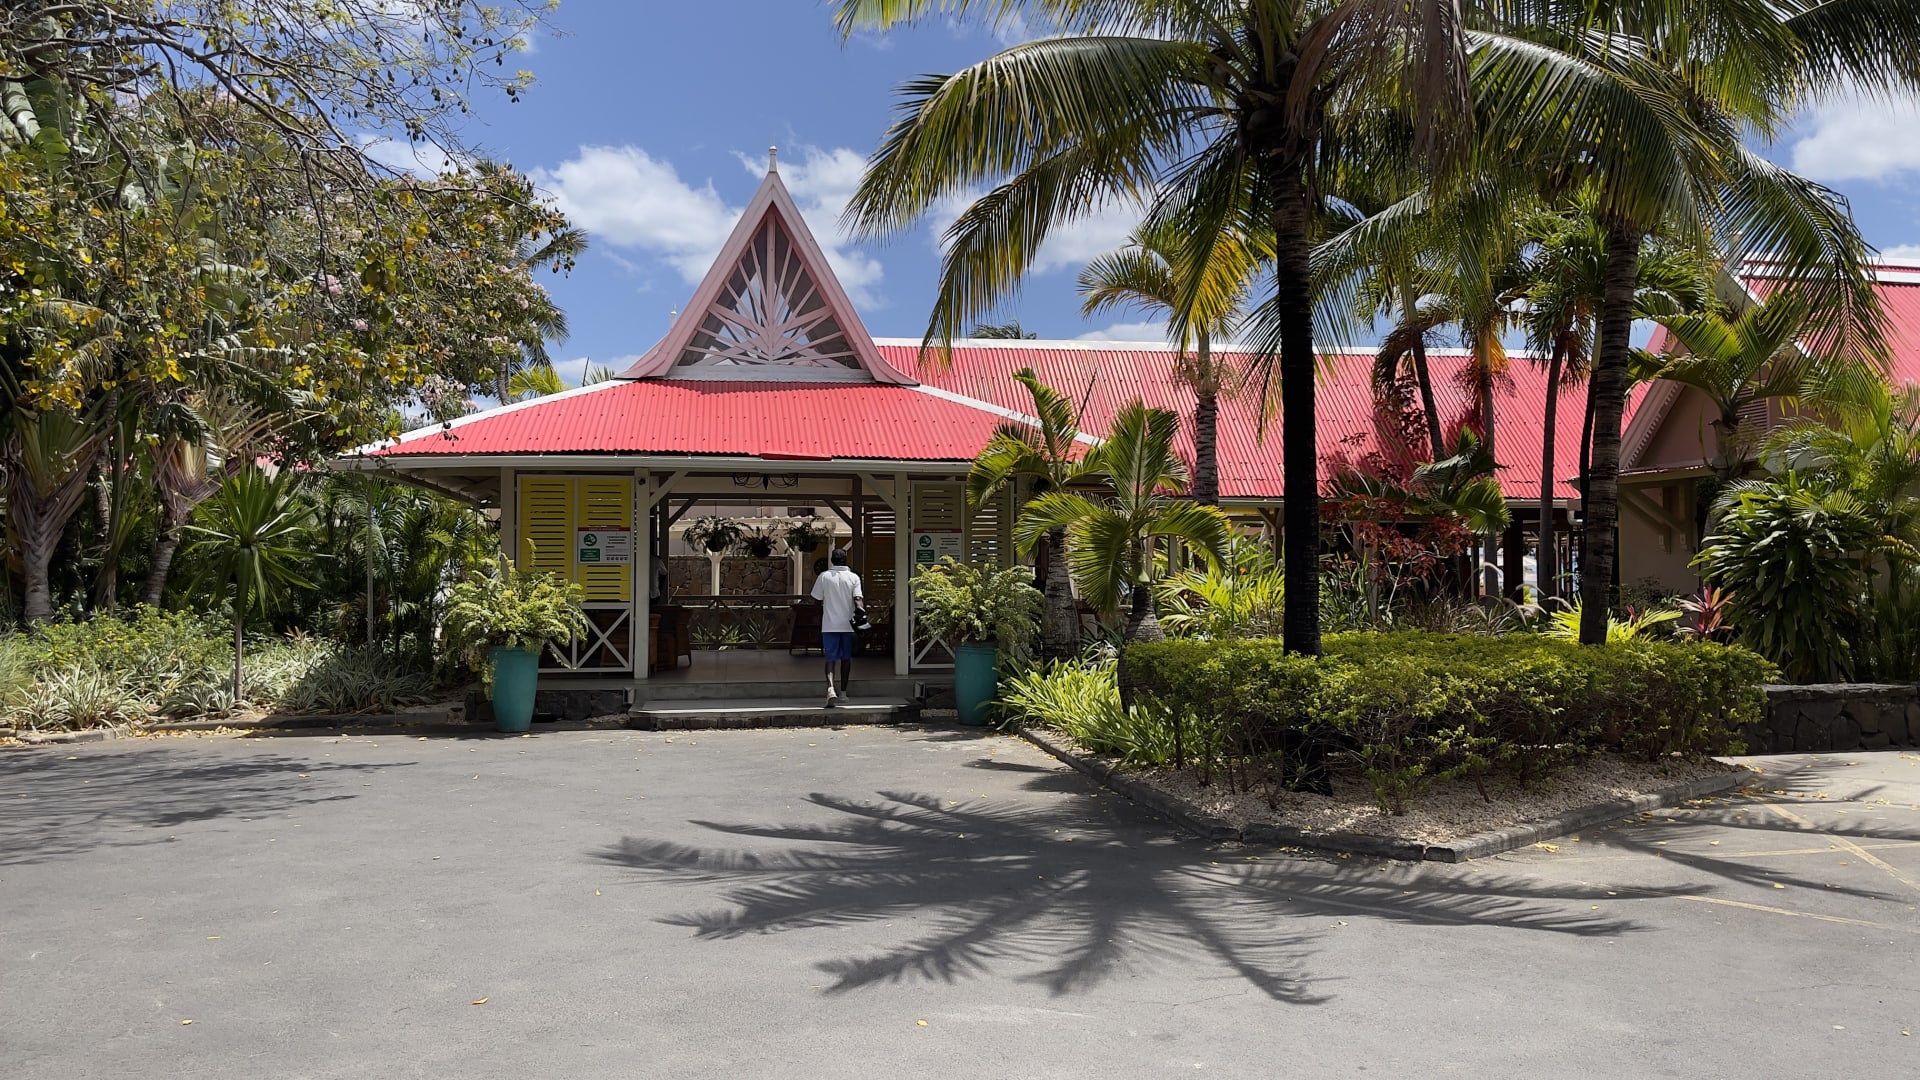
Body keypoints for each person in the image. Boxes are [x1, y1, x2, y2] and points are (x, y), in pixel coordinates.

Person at [809, 547, 863, 705]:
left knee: (830, 659)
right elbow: (858, 599)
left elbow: (816, 601)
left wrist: (816, 619)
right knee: (846, 659)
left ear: (832, 561)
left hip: (829, 625)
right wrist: (862, 613)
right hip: (848, 626)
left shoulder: (824, 577)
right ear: (845, 560)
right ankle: (844, 693)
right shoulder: (853, 578)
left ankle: (831, 689)